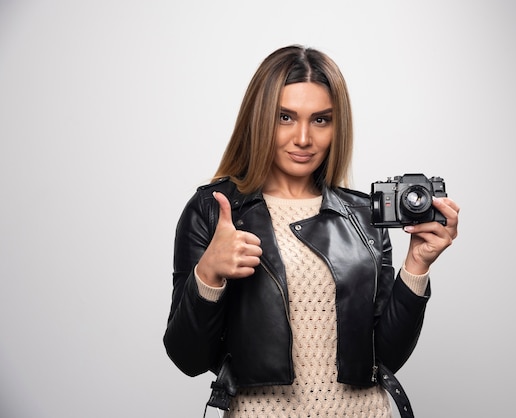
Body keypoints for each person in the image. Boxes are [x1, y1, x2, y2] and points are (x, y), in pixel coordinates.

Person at [164, 45, 460, 418]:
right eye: (285, 117)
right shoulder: (213, 210)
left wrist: (417, 265)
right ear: (259, 119)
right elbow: (187, 357)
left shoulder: (363, 217)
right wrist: (208, 274)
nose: (303, 138)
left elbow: (386, 357)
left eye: (321, 120)